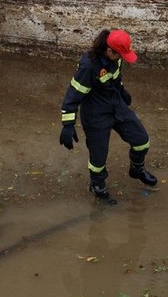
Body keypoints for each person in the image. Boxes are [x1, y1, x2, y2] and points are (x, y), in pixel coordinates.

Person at [59, 29, 157, 204]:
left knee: (142, 141)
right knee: (98, 158)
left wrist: (122, 91)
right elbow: (73, 95)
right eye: (120, 55)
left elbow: (115, 78)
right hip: (96, 115)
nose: (122, 59)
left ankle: (137, 169)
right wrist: (68, 124)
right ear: (109, 50)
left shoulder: (115, 59)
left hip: (116, 106)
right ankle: (98, 187)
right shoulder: (89, 67)